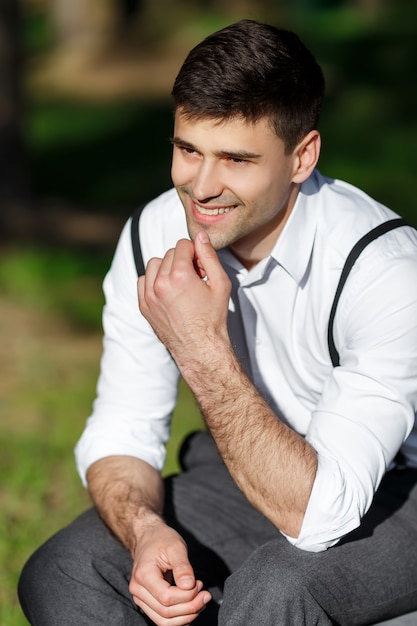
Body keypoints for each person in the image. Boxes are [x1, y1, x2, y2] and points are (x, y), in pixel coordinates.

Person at [18, 19, 417, 626]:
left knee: (279, 588)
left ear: (301, 157)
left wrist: (200, 346)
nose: (201, 187)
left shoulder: (386, 271)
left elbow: (321, 514)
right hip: (239, 475)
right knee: (69, 571)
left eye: (235, 158)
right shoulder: (153, 233)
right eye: (188, 150)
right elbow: (123, 431)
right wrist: (145, 531)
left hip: (393, 490)